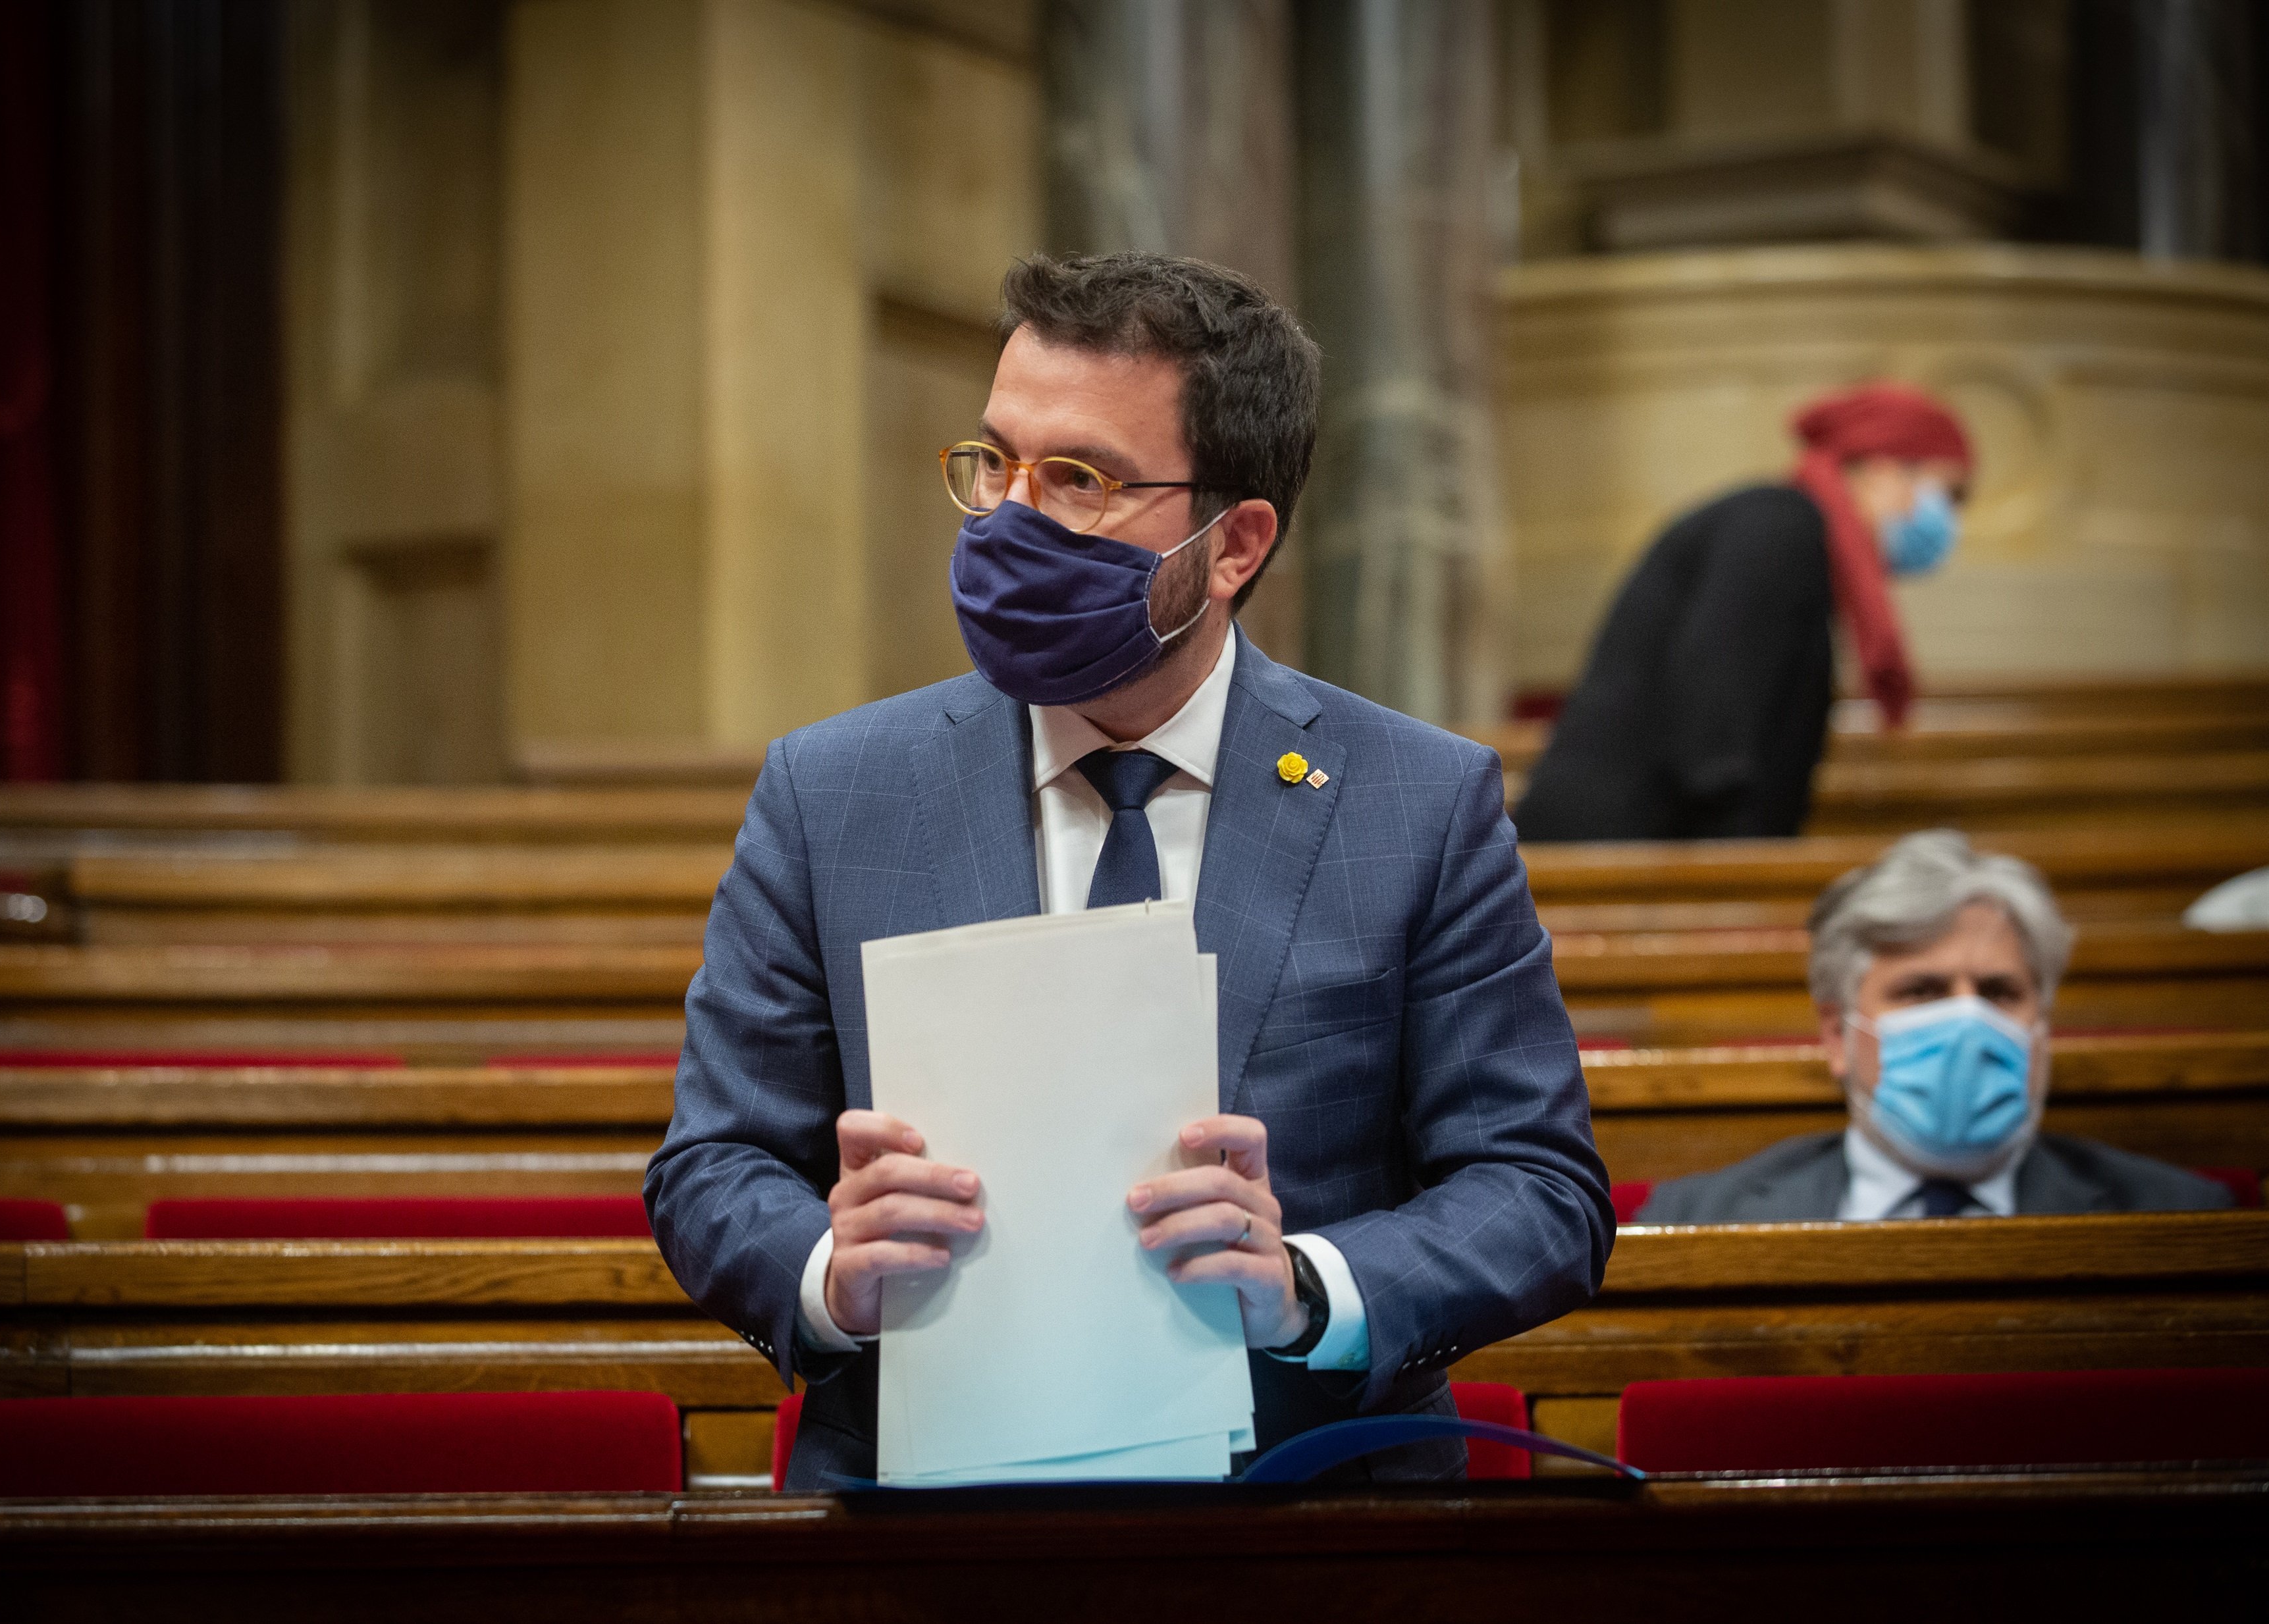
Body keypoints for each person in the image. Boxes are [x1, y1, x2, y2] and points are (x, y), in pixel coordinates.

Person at [645, 252, 1613, 1489]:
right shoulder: (833, 792)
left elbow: (1540, 1190)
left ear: (1233, 543)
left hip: (1315, 1512)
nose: (1009, 515)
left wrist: (1310, 1288)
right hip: (917, 1521)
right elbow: (710, 1166)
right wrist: (834, 1274)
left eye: (1081, 479)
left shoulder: (1418, 802)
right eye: (994, 462)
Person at [1637, 830, 2234, 1223]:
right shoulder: (1697, 1215)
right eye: (1921, 991)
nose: (1967, 1019)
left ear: (2043, 1029)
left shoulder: (2181, 1217)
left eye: (2000, 992)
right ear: (1838, 1036)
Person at [1513, 384, 1973, 842]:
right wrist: (1741, 868)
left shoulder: (1791, 531)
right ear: (1883, 470)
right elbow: (1711, 729)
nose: (1951, 520)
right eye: (1949, 495)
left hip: (1639, 846)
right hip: (1625, 854)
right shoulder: (1780, 528)